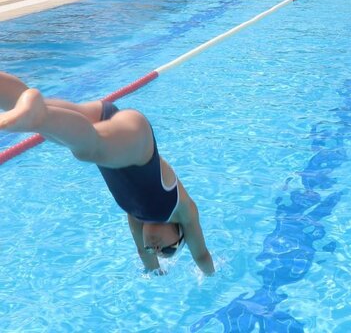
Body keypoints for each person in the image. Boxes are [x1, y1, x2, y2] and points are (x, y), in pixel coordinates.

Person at [0, 71, 215, 276]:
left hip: (105, 120)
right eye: (168, 250)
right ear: (181, 232)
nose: (156, 250)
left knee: (23, 104)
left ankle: (32, 109)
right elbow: (201, 255)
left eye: (154, 252)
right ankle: (39, 115)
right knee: (87, 150)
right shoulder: (181, 210)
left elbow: (144, 255)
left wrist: (157, 272)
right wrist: (210, 275)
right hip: (137, 140)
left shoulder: (135, 217)